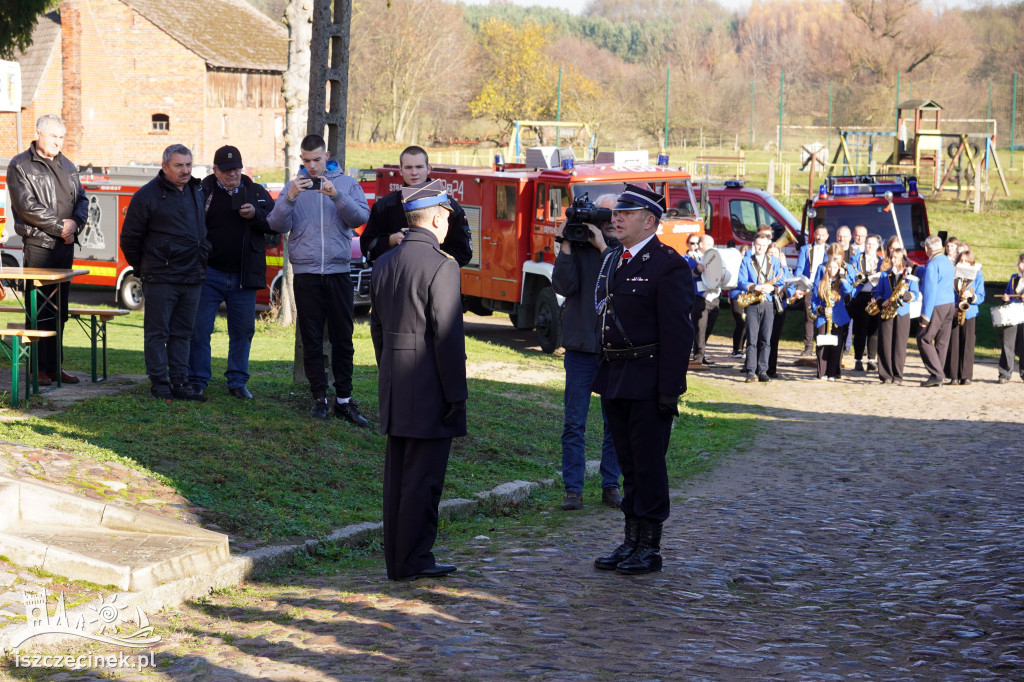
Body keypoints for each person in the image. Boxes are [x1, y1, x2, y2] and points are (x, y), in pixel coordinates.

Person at [591, 184, 694, 575]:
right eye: (616, 212)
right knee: (629, 464)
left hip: (649, 379)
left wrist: (670, 389)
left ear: (649, 221)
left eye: (626, 213)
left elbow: (678, 333)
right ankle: (630, 540)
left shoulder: (668, 264)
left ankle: (649, 546)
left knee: (648, 465)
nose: (616, 218)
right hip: (616, 375)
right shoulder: (614, 259)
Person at [370, 180, 467, 581]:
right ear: (437, 219)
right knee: (423, 481)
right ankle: (414, 559)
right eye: (447, 218)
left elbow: (378, 329)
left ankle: (399, 559)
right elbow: (447, 337)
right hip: (430, 388)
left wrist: (390, 369)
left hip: (396, 383)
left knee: (398, 479)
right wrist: (456, 395)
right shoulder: (442, 264)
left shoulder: (384, 262)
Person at [267, 134, 370, 422]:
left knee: (343, 338)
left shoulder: (347, 183)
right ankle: (319, 399)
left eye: (316, 159)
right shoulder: (294, 187)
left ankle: (344, 399)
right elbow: (276, 224)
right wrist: (290, 198)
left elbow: (360, 218)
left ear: (327, 156)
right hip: (306, 274)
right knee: (311, 339)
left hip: (338, 272)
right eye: (306, 160)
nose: (311, 166)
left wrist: (336, 195)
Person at [121, 144, 210, 401]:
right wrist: (146, 267)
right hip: (161, 277)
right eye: (179, 165)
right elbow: (129, 238)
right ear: (164, 166)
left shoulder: (196, 190)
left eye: (188, 164)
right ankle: (159, 383)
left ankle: (180, 382)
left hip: (192, 275)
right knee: (157, 333)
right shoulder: (146, 196)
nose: (185, 170)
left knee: (183, 332)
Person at [6, 114, 89, 386]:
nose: (57, 142)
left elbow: (83, 200)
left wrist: (75, 223)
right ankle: (37, 368)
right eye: (53, 136)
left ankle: (54, 367)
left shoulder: (68, 166)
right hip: (39, 247)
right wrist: (60, 227)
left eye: (61, 137)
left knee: (60, 310)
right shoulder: (20, 165)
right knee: (39, 309)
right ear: (38, 133)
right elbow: (26, 207)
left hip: (64, 247)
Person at [187, 146, 275, 400]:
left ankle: (237, 381)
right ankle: (197, 379)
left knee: (243, 330)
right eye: (226, 171)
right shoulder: (202, 192)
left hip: (243, 275)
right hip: (209, 273)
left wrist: (255, 215)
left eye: (236, 169)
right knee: (200, 329)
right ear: (215, 170)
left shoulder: (256, 192)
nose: (232, 174)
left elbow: (276, 223)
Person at [551, 194, 621, 511]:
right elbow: (563, 287)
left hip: (613, 350)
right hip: (580, 348)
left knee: (614, 423)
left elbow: (619, 284)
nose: (609, 220)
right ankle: (573, 490)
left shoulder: (623, 250)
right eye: (604, 214)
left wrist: (602, 247)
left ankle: (611, 485)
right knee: (574, 423)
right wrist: (566, 245)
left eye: (614, 214)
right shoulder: (577, 245)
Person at [360, 146, 472, 267]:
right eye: (408, 167)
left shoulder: (448, 206)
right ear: (400, 170)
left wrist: (431, 261)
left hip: (436, 276)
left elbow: (464, 252)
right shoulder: (384, 206)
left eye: (419, 167)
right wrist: (392, 240)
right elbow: (367, 249)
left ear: (428, 168)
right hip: (396, 277)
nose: (414, 173)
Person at [737, 231, 785, 382]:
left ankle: (763, 371)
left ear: (767, 246)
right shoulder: (746, 261)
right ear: (754, 244)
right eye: (758, 244)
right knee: (752, 339)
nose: (761, 248)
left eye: (764, 245)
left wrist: (773, 288)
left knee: (766, 339)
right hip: (753, 302)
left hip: (768, 302)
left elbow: (781, 281)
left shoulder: (774, 262)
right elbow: (741, 281)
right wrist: (755, 287)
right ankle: (751, 371)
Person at [873, 237, 920, 385]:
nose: (893, 260)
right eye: (892, 257)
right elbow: (877, 293)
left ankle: (898, 376)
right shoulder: (884, 274)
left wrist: (904, 296)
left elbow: (915, 295)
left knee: (900, 345)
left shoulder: (910, 277)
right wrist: (882, 301)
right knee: (885, 344)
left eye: (897, 258)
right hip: (886, 311)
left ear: (903, 260)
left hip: (902, 312)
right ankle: (885, 375)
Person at [916, 234, 955, 387]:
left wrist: (925, 316)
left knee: (924, 338)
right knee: (942, 342)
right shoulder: (947, 261)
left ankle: (937, 374)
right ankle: (938, 374)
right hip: (949, 304)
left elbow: (930, 291)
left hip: (937, 305)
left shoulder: (932, 265)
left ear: (926, 249)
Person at [945, 242, 984, 385]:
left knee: (968, 344)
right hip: (955, 312)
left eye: (965, 261)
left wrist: (970, 296)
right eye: (960, 260)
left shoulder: (978, 275)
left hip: (970, 313)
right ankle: (953, 376)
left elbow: (981, 296)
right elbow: (947, 293)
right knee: (953, 344)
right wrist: (952, 308)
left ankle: (966, 376)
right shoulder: (952, 275)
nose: (962, 263)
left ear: (971, 262)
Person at [811, 252, 854, 381]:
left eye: (835, 267)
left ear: (839, 269)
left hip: (838, 318)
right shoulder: (820, 282)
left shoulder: (841, 283)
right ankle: (822, 372)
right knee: (822, 345)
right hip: (823, 318)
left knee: (836, 346)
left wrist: (842, 276)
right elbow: (813, 301)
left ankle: (832, 373)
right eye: (830, 267)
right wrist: (822, 310)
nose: (832, 270)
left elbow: (849, 291)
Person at [849, 233, 883, 372]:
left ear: (878, 246)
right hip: (861, 295)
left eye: (873, 244)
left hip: (875, 297)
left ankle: (871, 359)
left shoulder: (881, 260)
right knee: (860, 329)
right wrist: (867, 275)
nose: (870, 247)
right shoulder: (856, 258)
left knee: (874, 330)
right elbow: (852, 276)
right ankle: (858, 360)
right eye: (868, 244)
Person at [767, 242, 800, 379]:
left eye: (775, 253)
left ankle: (771, 368)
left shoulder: (784, 268)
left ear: (780, 255)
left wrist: (784, 294)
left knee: (774, 339)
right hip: (765, 304)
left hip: (779, 306)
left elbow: (791, 286)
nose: (773, 255)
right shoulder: (764, 266)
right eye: (770, 253)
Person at [688, 234, 723, 367]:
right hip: (699, 297)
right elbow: (687, 276)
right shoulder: (692, 258)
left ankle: (701, 353)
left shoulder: (715, 257)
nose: (711, 247)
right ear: (701, 245)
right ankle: (698, 357)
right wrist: (697, 270)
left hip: (713, 296)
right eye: (709, 244)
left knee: (709, 327)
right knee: (700, 328)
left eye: (712, 245)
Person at [795, 226, 830, 356]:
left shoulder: (829, 249)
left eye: (823, 235)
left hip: (824, 286)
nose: (820, 237)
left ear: (827, 236)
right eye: (818, 234)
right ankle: (808, 345)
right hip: (809, 285)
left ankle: (822, 346)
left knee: (824, 316)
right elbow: (799, 268)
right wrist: (798, 285)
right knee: (809, 316)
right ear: (814, 235)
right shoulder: (805, 249)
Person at [997, 253, 1024, 384]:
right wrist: (1005, 298)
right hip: (1012, 313)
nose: (1018, 264)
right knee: (1007, 343)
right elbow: (1007, 292)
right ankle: (1004, 373)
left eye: (1020, 262)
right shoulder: (1014, 277)